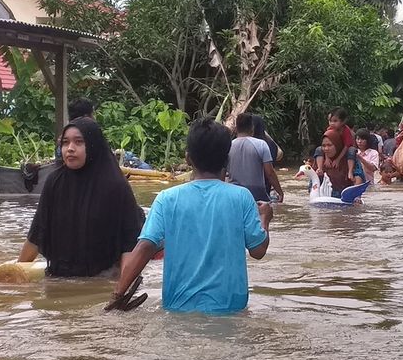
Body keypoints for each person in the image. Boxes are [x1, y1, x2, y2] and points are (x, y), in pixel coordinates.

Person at [107, 118, 273, 313]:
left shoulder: (167, 199)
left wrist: (117, 297)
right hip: (230, 309)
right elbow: (258, 251)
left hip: (178, 308)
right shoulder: (242, 198)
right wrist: (265, 218)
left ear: (188, 159)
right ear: (227, 159)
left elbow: (144, 248)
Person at [19, 118, 145, 278]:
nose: (70, 148)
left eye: (78, 142)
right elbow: (38, 233)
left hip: (103, 278)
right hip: (59, 275)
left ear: (92, 146)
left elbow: (129, 244)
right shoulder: (54, 182)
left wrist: (123, 289)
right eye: (65, 142)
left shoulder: (115, 186)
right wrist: (15, 275)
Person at [227, 113, 284, 203]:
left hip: (234, 192)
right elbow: (270, 173)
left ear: (236, 129)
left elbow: (222, 173)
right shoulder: (261, 144)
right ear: (252, 128)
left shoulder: (229, 146)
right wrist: (280, 192)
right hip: (256, 194)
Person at [315, 108, 362, 184]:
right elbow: (325, 144)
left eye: (335, 121)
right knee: (319, 149)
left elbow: (346, 146)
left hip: (344, 151)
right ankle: (319, 168)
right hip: (332, 152)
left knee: (351, 150)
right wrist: (326, 158)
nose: (332, 123)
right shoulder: (329, 129)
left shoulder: (346, 130)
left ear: (343, 122)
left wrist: (338, 159)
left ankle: (350, 172)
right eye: (330, 121)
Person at [55, 99, 97, 163]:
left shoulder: (62, 138)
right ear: (86, 116)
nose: (70, 148)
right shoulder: (94, 138)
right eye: (65, 142)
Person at [252, 115, 283, 198]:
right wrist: (279, 191)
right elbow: (270, 172)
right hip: (264, 188)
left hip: (245, 188)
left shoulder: (242, 143)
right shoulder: (271, 144)